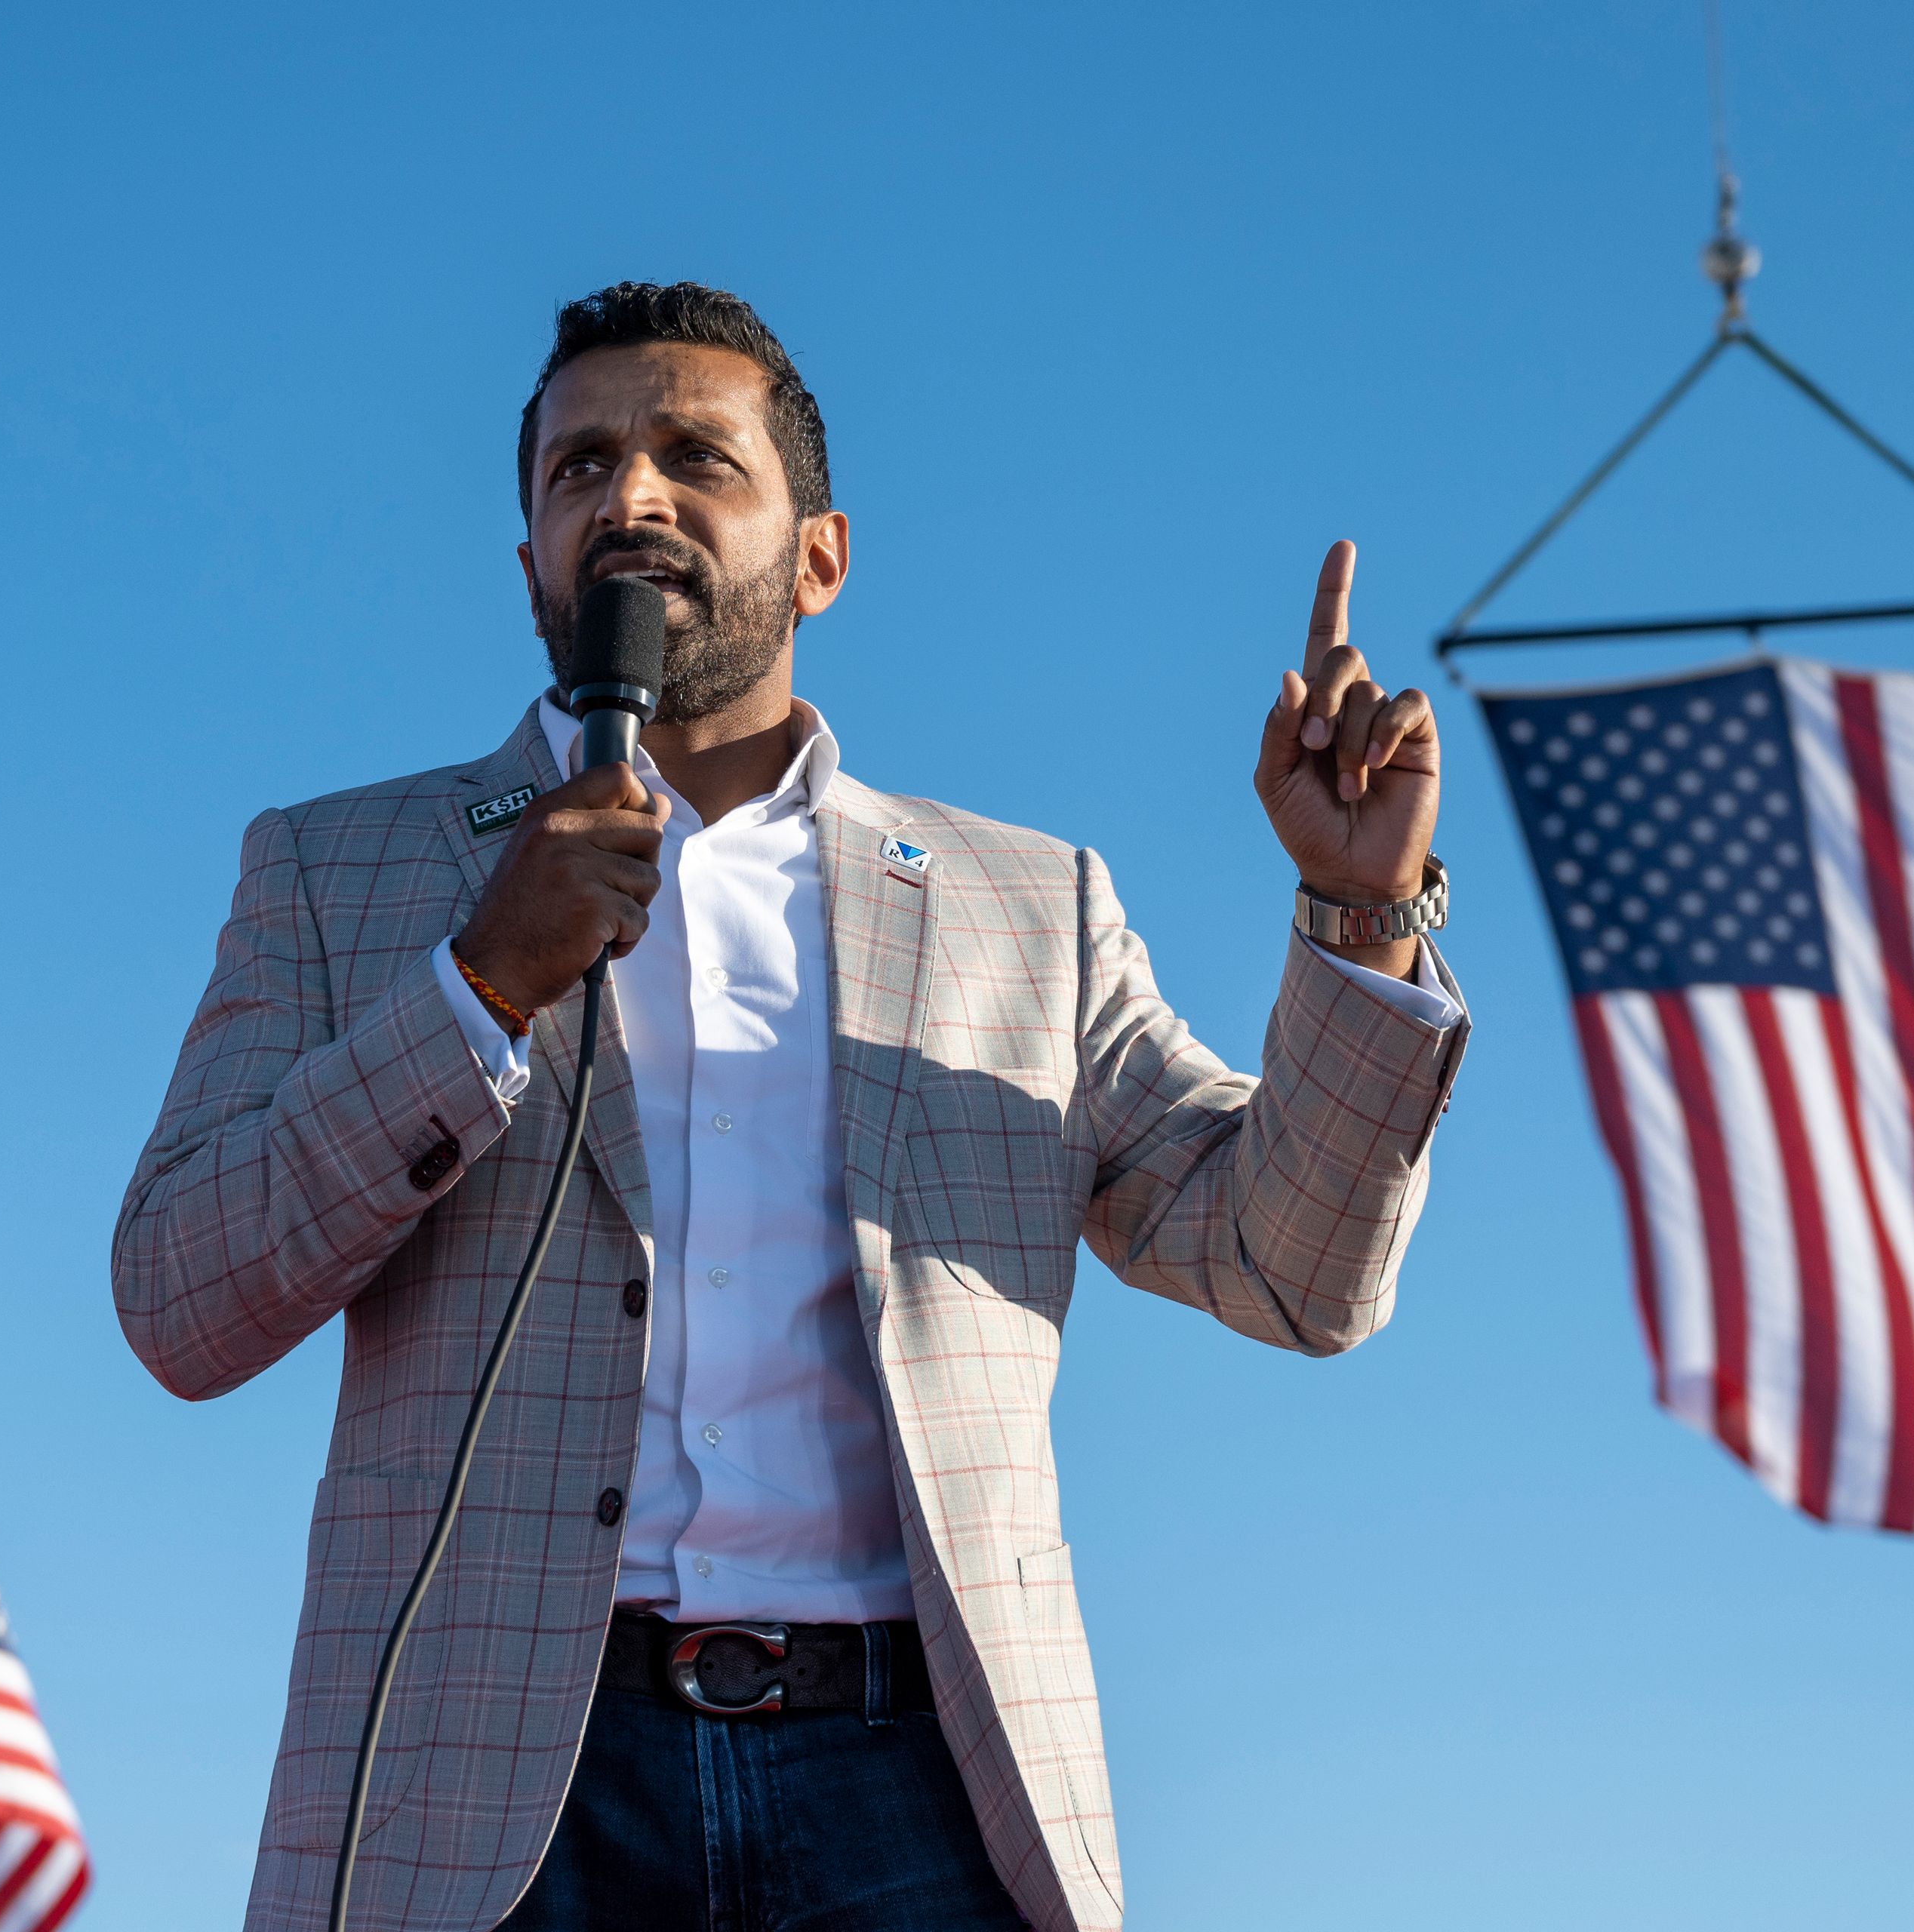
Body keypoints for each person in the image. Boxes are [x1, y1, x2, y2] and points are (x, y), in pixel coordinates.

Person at [113, 282, 1469, 1932]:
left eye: (696, 456)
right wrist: (476, 986)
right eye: (579, 468)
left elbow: (1293, 1265)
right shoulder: (340, 873)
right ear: (530, 563)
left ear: (820, 554)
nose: (630, 498)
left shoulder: (1025, 905)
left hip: (920, 1786)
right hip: (490, 1802)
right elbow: (182, 1298)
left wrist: (1360, 921)